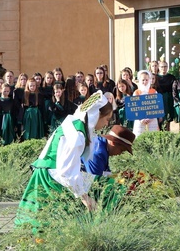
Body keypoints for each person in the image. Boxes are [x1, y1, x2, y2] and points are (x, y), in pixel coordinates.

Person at [15, 91, 114, 230]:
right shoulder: (77, 133)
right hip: (51, 176)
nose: (106, 123)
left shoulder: (75, 123)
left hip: (49, 171)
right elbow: (66, 171)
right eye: (107, 119)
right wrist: (84, 197)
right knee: (54, 222)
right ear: (96, 115)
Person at [132, 70, 160, 136]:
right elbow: (134, 108)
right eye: (143, 80)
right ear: (140, 80)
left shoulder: (154, 92)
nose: (145, 82)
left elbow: (156, 107)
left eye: (146, 80)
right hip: (140, 121)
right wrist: (140, 119)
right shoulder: (136, 93)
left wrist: (151, 118)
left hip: (152, 120)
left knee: (153, 137)